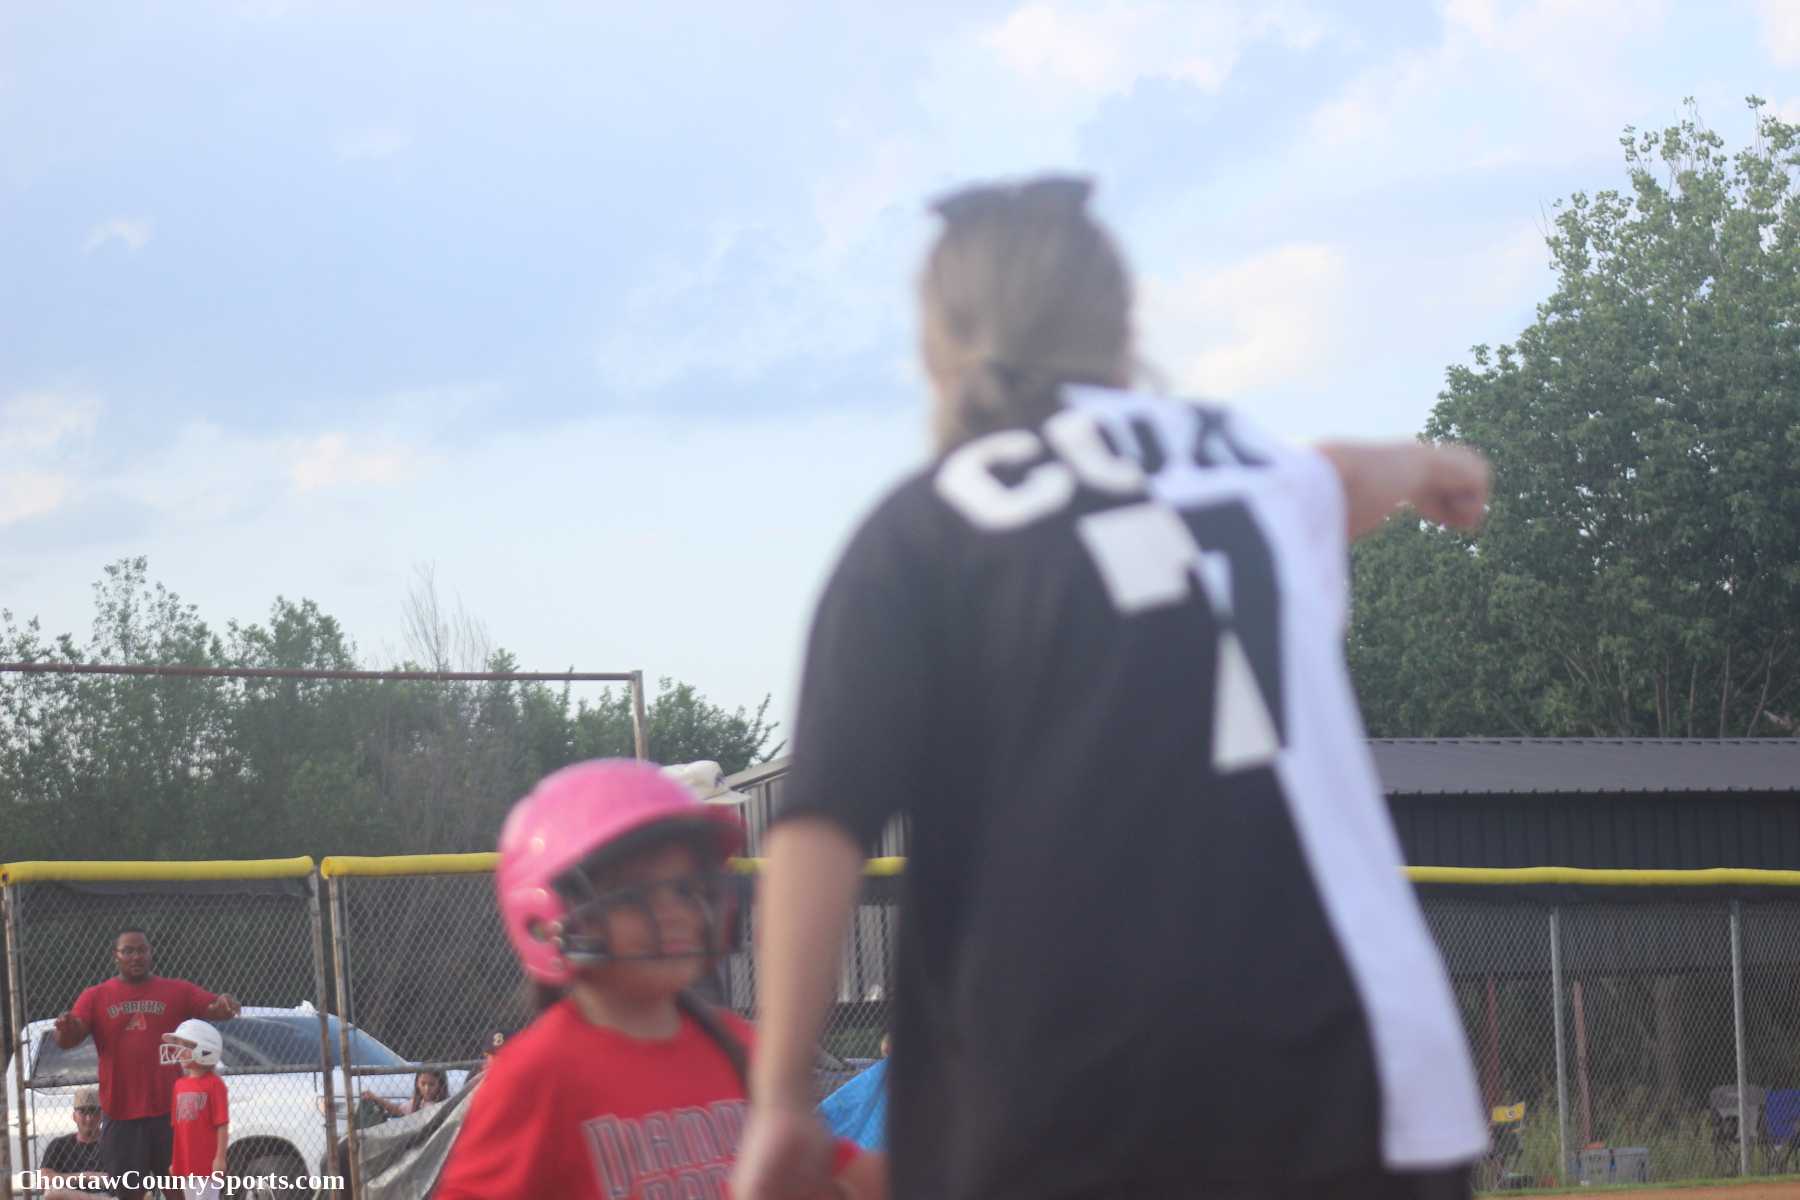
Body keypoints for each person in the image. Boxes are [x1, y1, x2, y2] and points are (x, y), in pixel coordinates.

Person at [734, 175, 1492, 1200]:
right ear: (1125, 328)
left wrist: (781, 1095)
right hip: (1370, 1080)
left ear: (940, 346)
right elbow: (1342, 476)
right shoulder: (1249, 466)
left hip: (1074, 1094)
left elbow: (820, 822)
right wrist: (1430, 463)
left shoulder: (926, 529)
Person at [433, 758, 886, 1199]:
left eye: (687, 889)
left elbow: (838, 1175)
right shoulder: (536, 1076)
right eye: (637, 891)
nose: (675, 911)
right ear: (554, 913)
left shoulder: (738, 1048)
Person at [53, 929, 240, 1200]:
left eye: (141, 950)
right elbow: (68, 1038)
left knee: (181, 1191)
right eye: (128, 951)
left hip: (169, 1114)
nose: (136, 956)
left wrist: (224, 1005)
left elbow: (213, 1007)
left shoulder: (175, 990)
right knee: (128, 1193)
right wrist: (65, 1027)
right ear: (115, 956)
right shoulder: (96, 996)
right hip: (121, 1115)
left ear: (151, 953)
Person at [160, 1020, 228, 1200]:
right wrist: (176, 1160)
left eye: (185, 1046)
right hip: (186, 1163)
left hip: (207, 1164)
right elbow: (178, 1129)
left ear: (205, 1050)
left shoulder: (214, 1084)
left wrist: (220, 1158)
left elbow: (221, 1125)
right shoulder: (179, 1085)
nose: (178, 1051)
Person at [40, 1086, 110, 1197]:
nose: (89, 1118)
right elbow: (45, 1180)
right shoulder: (59, 1145)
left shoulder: (113, 1144)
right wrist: (86, 1177)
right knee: (51, 1192)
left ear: (102, 1115)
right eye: (83, 1112)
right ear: (74, 1116)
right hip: (72, 1197)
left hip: (107, 1195)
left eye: (93, 1111)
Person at [361, 1069, 448, 1119]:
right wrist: (376, 1098)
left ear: (440, 1084)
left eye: (431, 1084)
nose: (427, 1089)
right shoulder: (417, 1103)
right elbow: (398, 1110)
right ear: (417, 1084)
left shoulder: (444, 1104)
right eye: (423, 1084)